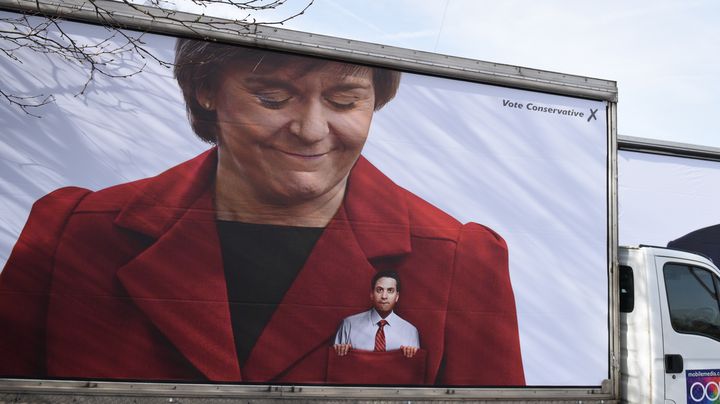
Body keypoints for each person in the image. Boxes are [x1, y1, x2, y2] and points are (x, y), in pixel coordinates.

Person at [0, 38, 524, 385]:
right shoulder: (72, 234)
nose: (312, 129)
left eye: (344, 102)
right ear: (207, 91)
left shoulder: (460, 261)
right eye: (273, 98)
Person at [333, 270, 419, 358]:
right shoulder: (349, 325)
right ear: (371, 294)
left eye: (390, 290)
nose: (384, 296)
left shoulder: (410, 332)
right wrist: (341, 352)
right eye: (379, 290)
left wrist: (410, 357)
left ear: (397, 296)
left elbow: (413, 369)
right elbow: (337, 364)